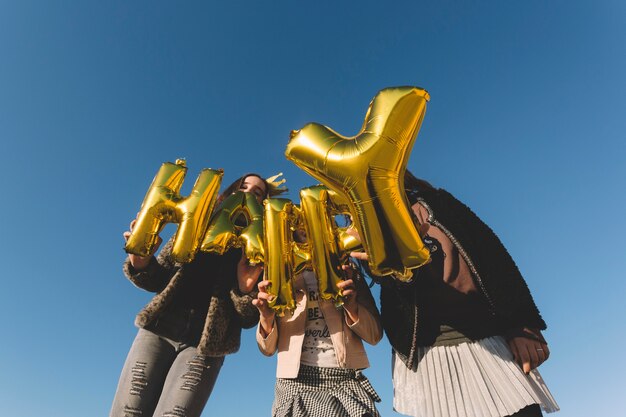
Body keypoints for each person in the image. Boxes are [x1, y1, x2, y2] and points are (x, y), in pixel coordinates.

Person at [351, 171, 559, 417]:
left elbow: (495, 257)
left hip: (490, 346)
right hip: (429, 361)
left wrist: (521, 323)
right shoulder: (364, 235)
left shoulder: (439, 204)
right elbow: (399, 294)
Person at [110, 173, 286, 417]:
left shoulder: (260, 249)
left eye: (257, 193)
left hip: (205, 348)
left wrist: (244, 289)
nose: (247, 194)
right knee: (129, 412)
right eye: (243, 187)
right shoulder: (196, 225)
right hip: (158, 330)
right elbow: (157, 279)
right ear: (230, 193)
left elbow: (247, 319)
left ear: (264, 205)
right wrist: (141, 260)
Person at [253, 230, 384, 417]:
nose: (305, 228)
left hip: (344, 381)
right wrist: (266, 316)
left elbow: (374, 335)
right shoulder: (279, 273)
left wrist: (352, 308)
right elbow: (267, 349)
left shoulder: (346, 269)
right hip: (294, 384)